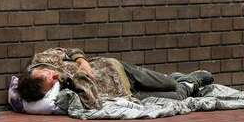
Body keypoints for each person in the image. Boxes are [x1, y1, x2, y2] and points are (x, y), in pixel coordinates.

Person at [15, 47, 213, 110]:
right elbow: (92, 104)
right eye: (50, 83)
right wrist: (80, 78)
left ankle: (174, 78)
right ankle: (191, 81)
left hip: (118, 69)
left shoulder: (43, 59)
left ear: (35, 72)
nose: (53, 77)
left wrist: (81, 61)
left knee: (169, 83)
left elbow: (70, 50)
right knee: (178, 96)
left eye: (46, 75)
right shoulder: (62, 93)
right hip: (125, 94)